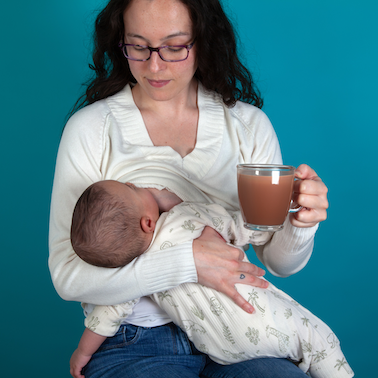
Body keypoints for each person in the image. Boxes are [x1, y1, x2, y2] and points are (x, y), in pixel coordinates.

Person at [48, 0, 330, 376]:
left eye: (174, 46)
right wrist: (188, 263)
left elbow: (278, 263)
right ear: (120, 42)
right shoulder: (92, 129)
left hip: (244, 329)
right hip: (137, 340)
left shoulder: (247, 126)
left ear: (204, 41)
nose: (154, 65)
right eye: (137, 46)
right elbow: (69, 278)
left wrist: (301, 224)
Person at [69, 180, 353, 378]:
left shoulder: (134, 269)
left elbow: (105, 317)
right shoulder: (186, 216)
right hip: (255, 316)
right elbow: (240, 226)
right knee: (318, 341)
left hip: (222, 345)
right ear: (147, 222)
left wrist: (82, 352)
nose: (137, 184)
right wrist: (178, 203)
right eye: (132, 188)